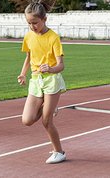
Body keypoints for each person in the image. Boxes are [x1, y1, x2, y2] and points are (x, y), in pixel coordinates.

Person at [17, 0, 67, 164]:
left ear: (44, 19)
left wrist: (50, 69)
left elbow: (61, 66)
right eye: (29, 23)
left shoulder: (53, 37)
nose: (32, 27)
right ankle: (48, 106)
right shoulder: (29, 36)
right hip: (36, 80)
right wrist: (23, 73)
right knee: (27, 120)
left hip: (52, 80)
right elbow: (29, 57)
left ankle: (59, 152)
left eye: (35, 23)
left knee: (46, 121)